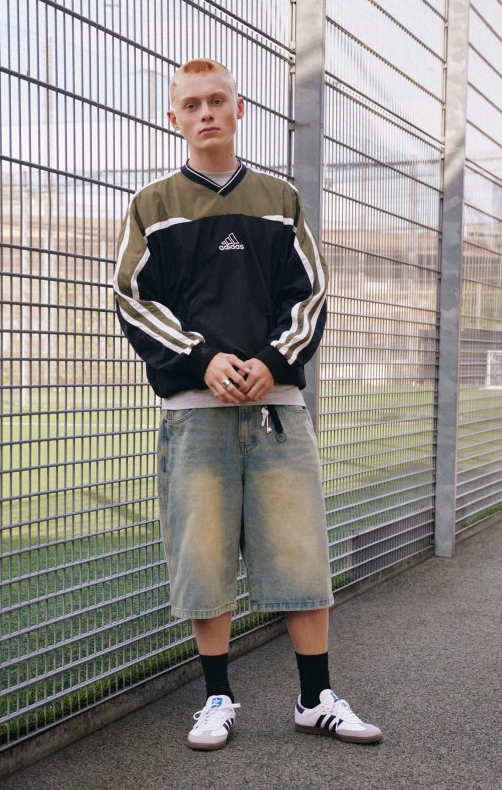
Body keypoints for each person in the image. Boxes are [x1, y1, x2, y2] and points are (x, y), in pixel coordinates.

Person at [113, 58, 382, 751]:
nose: (205, 112)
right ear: (173, 118)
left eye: (217, 101)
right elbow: (132, 299)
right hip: (195, 416)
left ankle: (315, 696)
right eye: (191, 104)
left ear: (240, 110)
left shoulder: (279, 198)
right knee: (202, 559)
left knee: (300, 554)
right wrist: (205, 358)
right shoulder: (152, 205)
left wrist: (271, 359)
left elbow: (311, 294)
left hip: (277, 409)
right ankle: (216, 699)